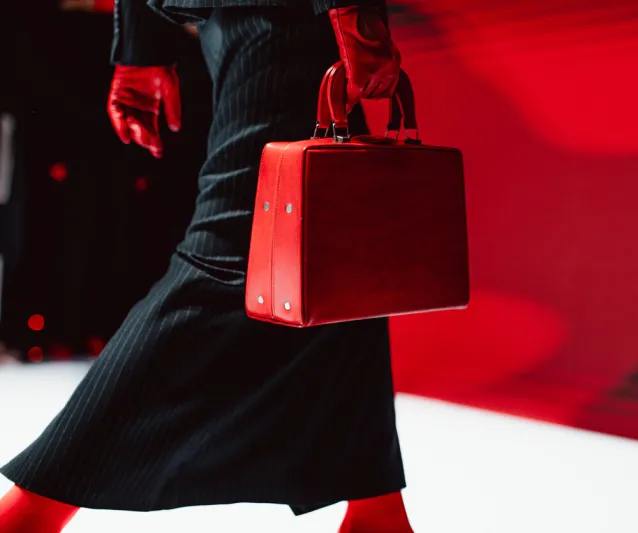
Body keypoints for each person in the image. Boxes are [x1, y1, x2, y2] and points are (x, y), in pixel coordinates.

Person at [0, 1, 413, 532]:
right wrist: (358, 17)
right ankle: (31, 512)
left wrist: (140, 50)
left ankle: (377, 512)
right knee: (239, 251)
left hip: (261, 24)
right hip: (290, 20)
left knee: (331, 255)